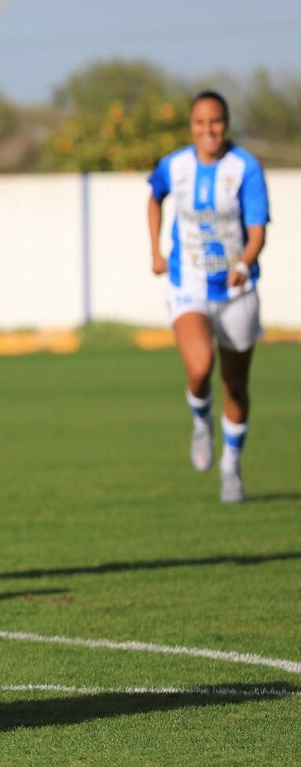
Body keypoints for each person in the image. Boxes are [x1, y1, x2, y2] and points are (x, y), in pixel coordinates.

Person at [147, 90, 269, 502]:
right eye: (200, 123)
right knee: (199, 367)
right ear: (191, 126)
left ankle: (231, 467)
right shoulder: (176, 165)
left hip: (237, 292)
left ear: (226, 123)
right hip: (189, 285)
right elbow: (154, 195)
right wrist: (155, 250)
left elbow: (257, 232)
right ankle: (201, 422)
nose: (208, 130)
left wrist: (243, 262)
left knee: (235, 388)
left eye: (215, 122)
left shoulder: (245, 168)